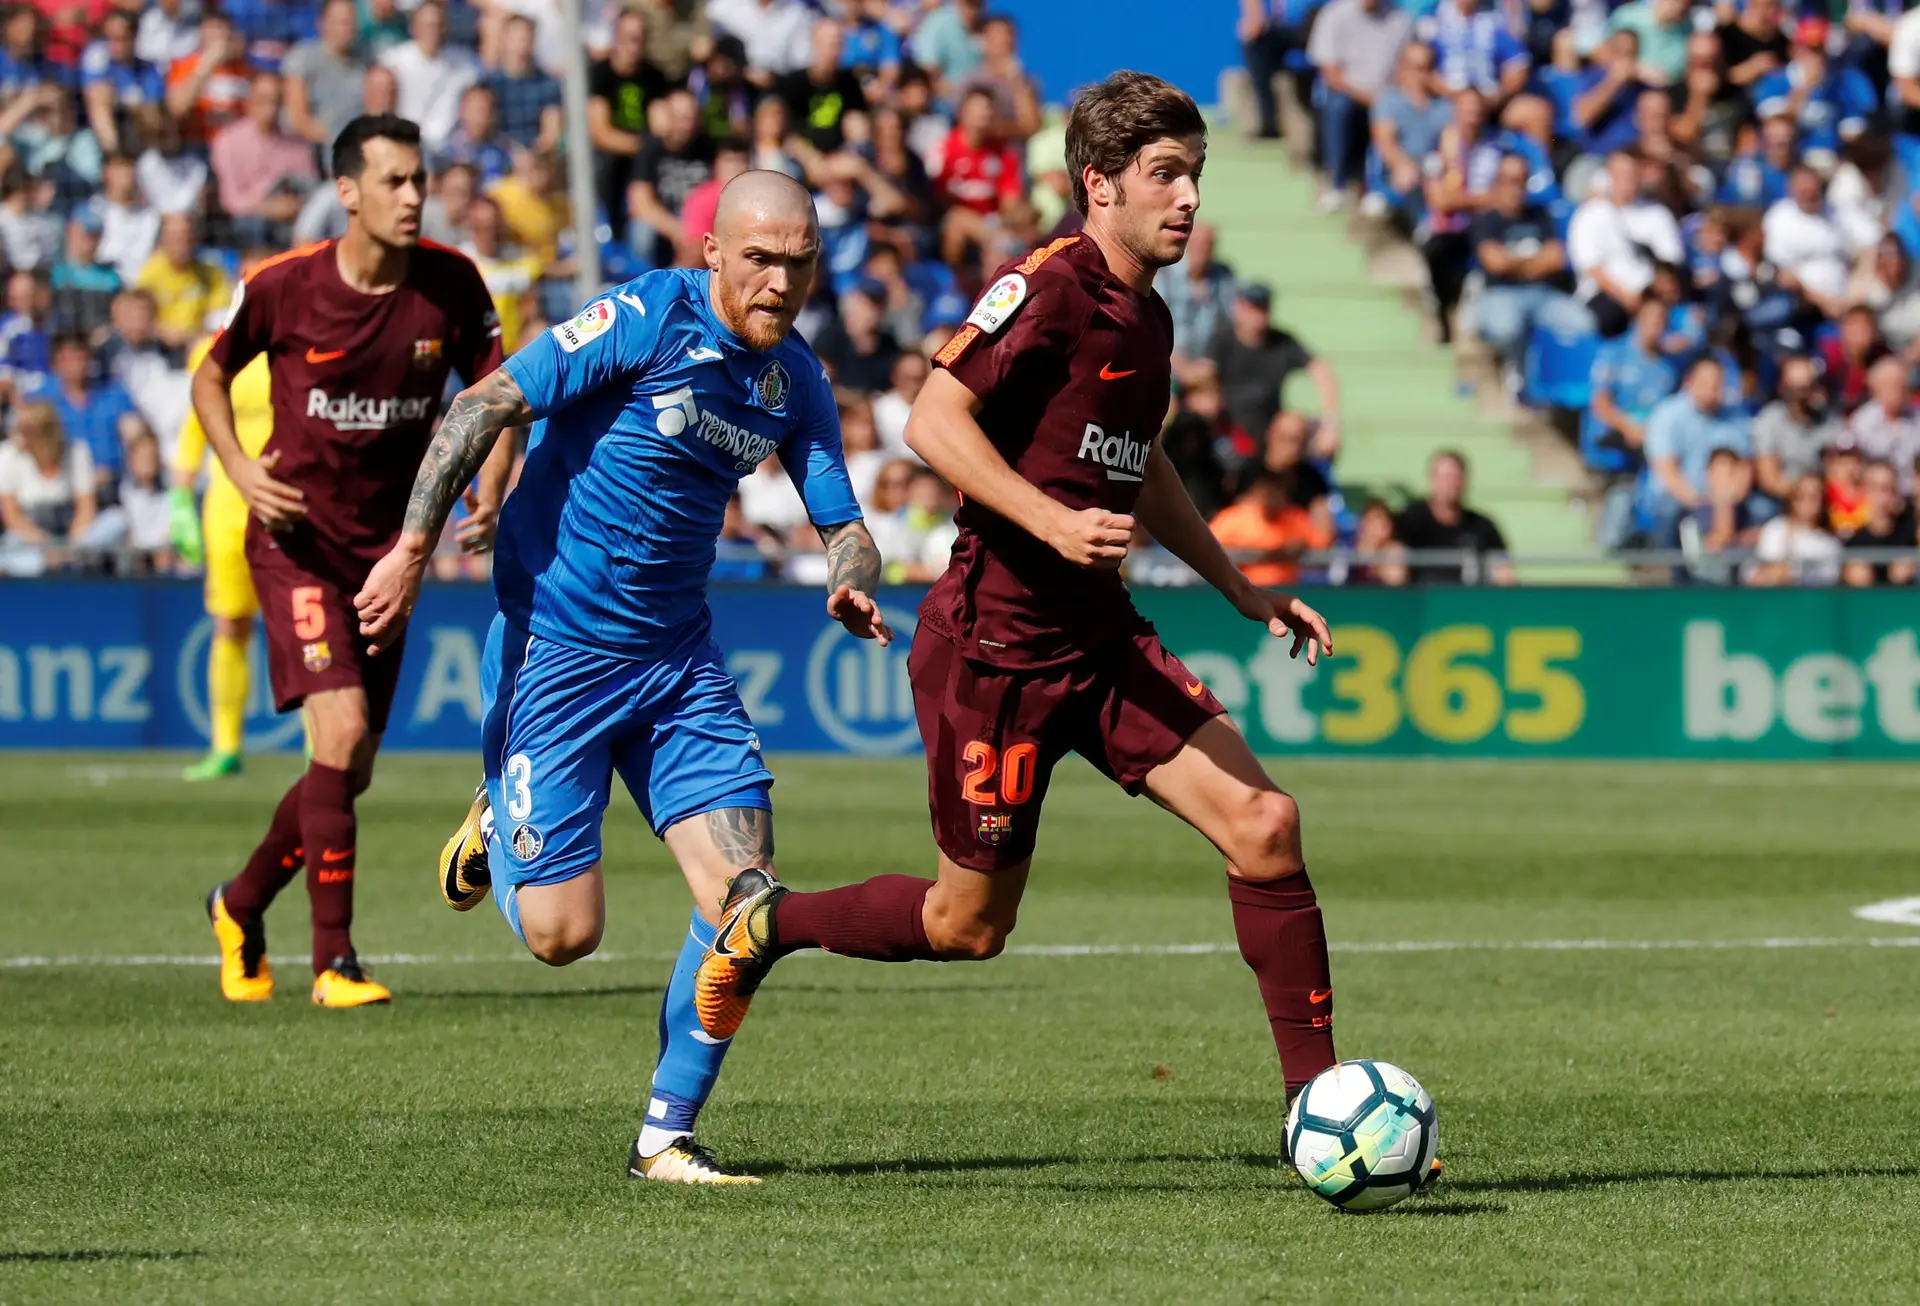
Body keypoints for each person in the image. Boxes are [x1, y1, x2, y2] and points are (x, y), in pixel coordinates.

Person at [686, 74, 1377, 1176]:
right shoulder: (1045, 288)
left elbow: (1138, 464)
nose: (1189, 197)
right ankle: (770, 922)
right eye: (1164, 174)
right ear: (1096, 185)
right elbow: (930, 417)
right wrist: (1050, 519)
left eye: (1196, 173)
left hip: (1101, 641)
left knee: (1266, 824)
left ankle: (1321, 1111)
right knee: (968, 926)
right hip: (994, 653)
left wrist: (1240, 587)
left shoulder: (1148, 315)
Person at [355, 170, 887, 1184]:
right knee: (565, 936)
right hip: (557, 646)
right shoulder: (646, 315)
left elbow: (845, 521)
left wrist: (848, 576)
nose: (780, 282)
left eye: (800, 261)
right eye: (761, 260)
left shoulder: (795, 380)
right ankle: (492, 820)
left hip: (677, 662)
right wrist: (412, 553)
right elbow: (484, 404)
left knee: (748, 903)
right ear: (716, 255)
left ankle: (663, 1136)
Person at [194, 114, 510, 1010]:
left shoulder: (451, 284)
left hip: (388, 559)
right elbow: (209, 377)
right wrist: (239, 466)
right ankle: (333, 963)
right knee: (334, 742)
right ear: (347, 192)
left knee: (350, 770)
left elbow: (500, 395)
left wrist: (491, 484)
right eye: (396, 181)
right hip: (297, 547)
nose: (415, 196)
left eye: (420, 179)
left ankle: (238, 902)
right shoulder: (286, 288)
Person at [172, 293, 277, 782]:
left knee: (305, 629)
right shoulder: (211, 352)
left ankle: (321, 749)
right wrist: (179, 497)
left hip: (288, 501)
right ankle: (225, 746)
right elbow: (196, 426)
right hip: (226, 506)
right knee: (230, 623)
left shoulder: (298, 347)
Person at [1470, 152, 1594, 373]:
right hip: (1501, 293)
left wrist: (1513, 263)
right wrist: (1535, 262)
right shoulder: (1486, 220)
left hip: (1544, 294)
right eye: (1509, 180)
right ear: (1497, 182)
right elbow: (1495, 263)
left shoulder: (1540, 215)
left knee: (1584, 325)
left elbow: (1556, 258)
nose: (1515, 187)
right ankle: (1515, 373)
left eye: (1520, 180)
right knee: (1505, 328)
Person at [1394, 449, 1514, 584]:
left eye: (1455, 477)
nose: (1450, 484)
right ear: (1432, 479)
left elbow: (1504, 573)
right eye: (1444, 477)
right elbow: (1394, 568)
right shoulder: (1410, 521)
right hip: (1425, 601)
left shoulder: (1482, 526)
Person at [1746, 471, 1842, 585]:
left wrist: (1789, 573)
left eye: (1813, 496)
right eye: (1800, 495)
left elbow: (1827, 580)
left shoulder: (1829, 543)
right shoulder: (1775, 529)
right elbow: (1755, 574)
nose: (1806, 502)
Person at [1841, 458, 1918, 586]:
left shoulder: (1911, 536)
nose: (1881, 497)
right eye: (1875, 488)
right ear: (1864, 490)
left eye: (1887, 488)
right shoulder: (1851, 539)